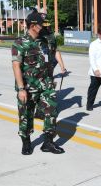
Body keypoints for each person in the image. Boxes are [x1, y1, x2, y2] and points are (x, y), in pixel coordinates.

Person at [11, 10, 64, 155]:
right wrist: (21, 88)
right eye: (40, 24)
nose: (43, 26)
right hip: (28, 87)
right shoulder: (20, 43)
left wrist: (52, 78)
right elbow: (16, 65)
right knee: (26, 115)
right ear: (33, 25)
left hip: (45, 85)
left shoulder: (46, 40)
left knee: (51, 111)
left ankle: (48, 142)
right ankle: (26, 142)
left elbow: (52, 56)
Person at [34, 11, 67, 120]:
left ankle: (47, 111)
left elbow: (56, 51)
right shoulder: (37, 36)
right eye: (45, 25)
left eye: (48, 25)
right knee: (39, 91)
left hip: (49, 68)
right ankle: (39, 111)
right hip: (37, 69)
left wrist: (62, 66)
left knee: (49, 90)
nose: (47, 27)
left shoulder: (51, 36)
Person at [86, 27, 101, 111]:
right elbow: (92, 58)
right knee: (93, 90)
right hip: (96, 73)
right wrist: (95, 69)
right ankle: (89, 104)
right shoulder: (94, 44)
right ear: (99, 35)